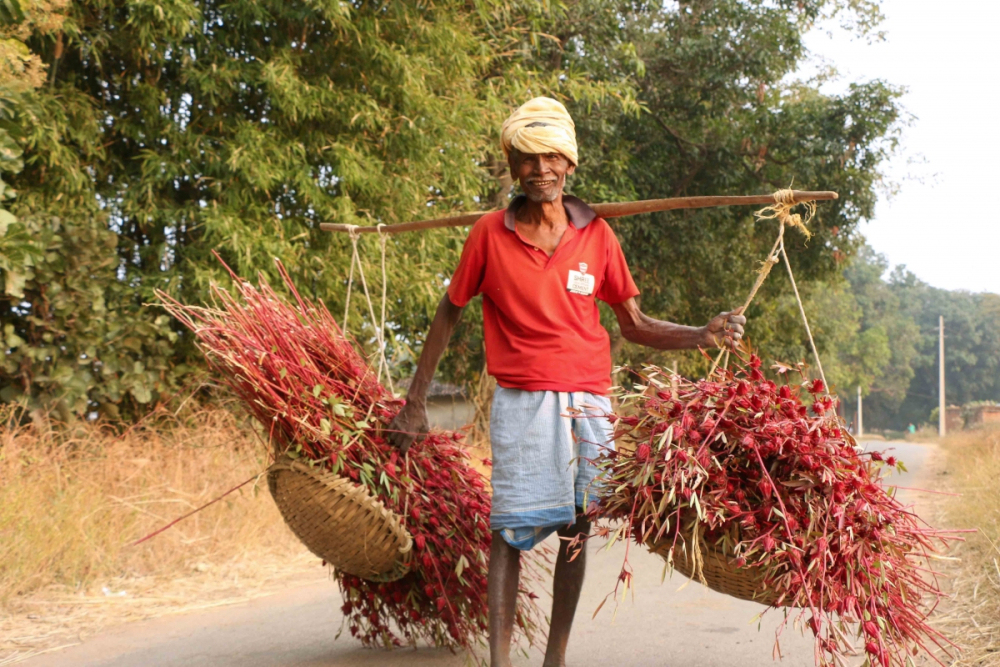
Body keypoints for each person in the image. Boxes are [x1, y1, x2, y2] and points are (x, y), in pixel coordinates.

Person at [388, 97, 746, 667]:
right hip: (523, 400)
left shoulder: (597, 236)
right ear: (513, 166)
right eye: (528, 159)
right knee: (509, 529)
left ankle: (555, 659)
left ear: (570, 164)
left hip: (589, 402)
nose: (541, 169)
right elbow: (449, 310)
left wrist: (702, 334)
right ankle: (501, 662)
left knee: (577, 530)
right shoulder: (489, 234)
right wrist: (415, 401)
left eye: (552, 157)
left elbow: (635, 324)